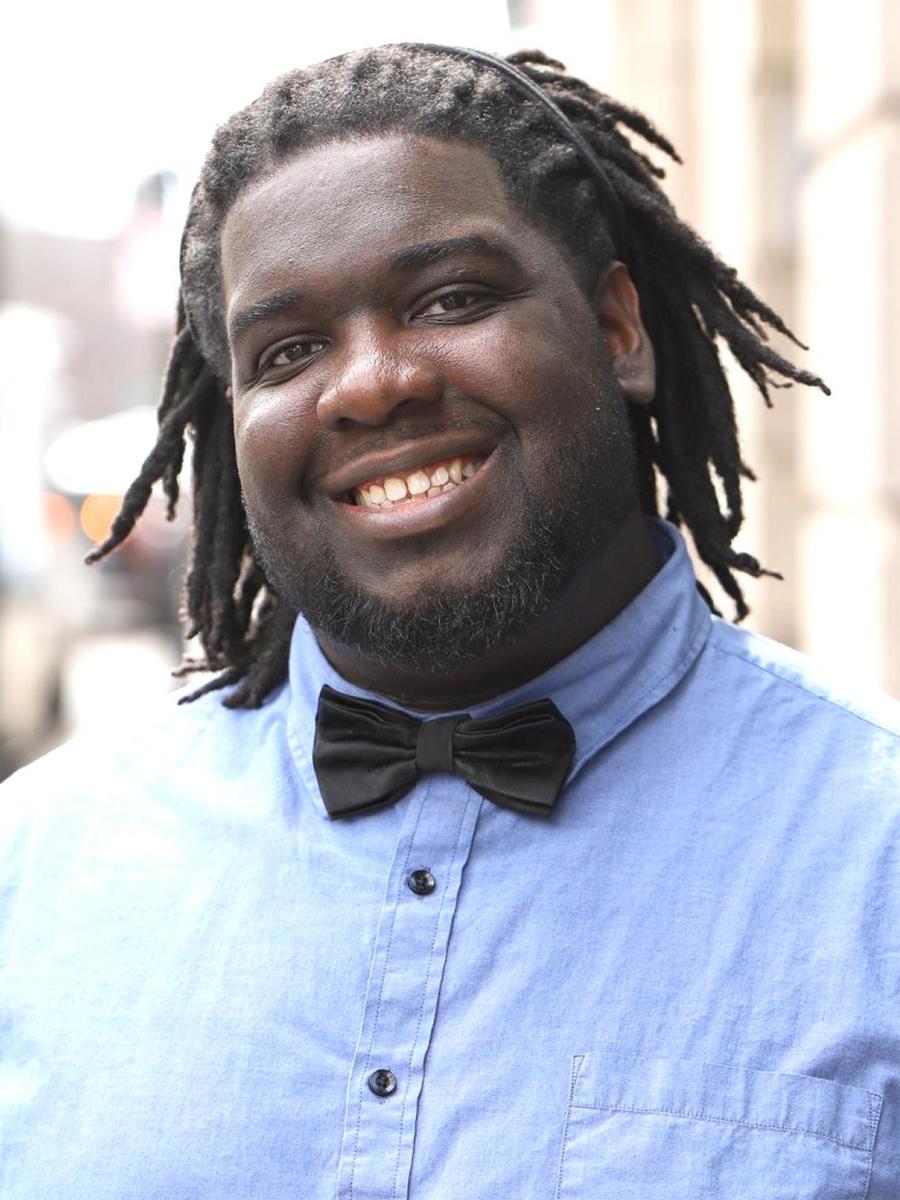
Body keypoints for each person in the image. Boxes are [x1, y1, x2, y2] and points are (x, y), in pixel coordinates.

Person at [1, 43, 897, 1200]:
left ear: (618, 329)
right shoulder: (31, 872)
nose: (371, 384)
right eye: (287, 351)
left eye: (452, 299)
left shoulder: (873, 860)